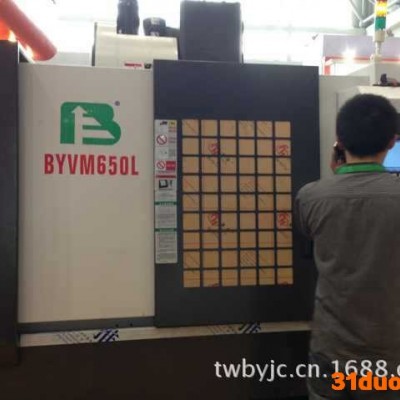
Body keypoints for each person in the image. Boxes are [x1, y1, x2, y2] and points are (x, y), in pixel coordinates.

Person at [295, 94, 400, 399]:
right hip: (388, 357)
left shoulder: (311, 196)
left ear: (339, 142)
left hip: (330, 353)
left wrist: (336, 177)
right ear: (392, 141)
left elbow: (307, 233)